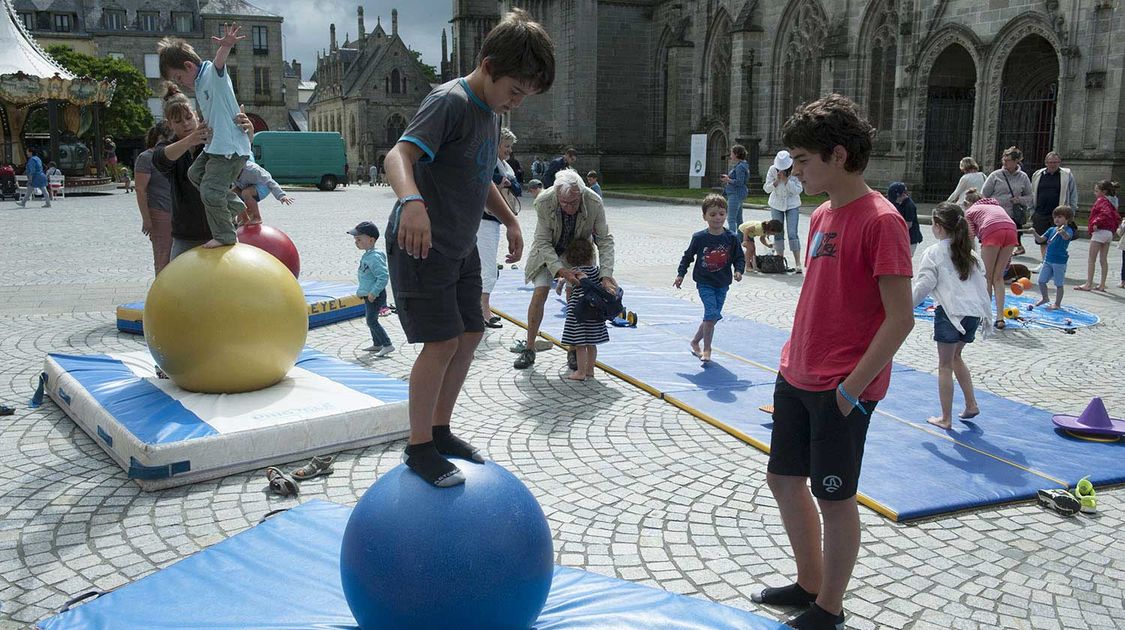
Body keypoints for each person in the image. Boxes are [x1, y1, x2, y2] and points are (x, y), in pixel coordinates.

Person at [754, 94, 914, 630]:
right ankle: (809, 582)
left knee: (836, 498)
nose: (794, 171)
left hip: (841, 389)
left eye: (802, 160)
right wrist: (790, 363)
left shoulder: (882, 221)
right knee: (783, 479)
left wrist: (851, 390)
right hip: (797, 373)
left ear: (838, 155)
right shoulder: (823, 213)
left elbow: (900, 319)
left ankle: (830, 608)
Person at [384, 8, 554, 487]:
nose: (517, 102)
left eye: (526, 95)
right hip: (422, 245)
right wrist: (411, 200)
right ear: (487, 63)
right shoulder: (449, 102)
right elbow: (398, 155)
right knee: (440, 342)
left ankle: (439, 430)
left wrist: (511, 221)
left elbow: (479, 178)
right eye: (515, 91)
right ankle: (418, 448)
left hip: (460, 247)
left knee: (471, 333)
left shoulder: (490, 114)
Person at [159, 25, 251, 250]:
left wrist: (226, 46)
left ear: (189, 66)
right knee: (195, 173)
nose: (181, 83)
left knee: (210, 191)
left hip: (228, 150)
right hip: (215, 147)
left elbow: (219, 63)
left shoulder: (210, 74)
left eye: (179, 77)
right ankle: (234, 204)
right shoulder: (199, 85)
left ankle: (225, 235)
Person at [514, 168, 615, 371]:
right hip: (548, 251)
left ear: (581, 194)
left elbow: (604, 239)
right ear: (557, 195)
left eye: (574, 203)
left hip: (578, 251)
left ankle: (573, 350)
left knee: (577, 298)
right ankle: (530, 347)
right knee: (540, 292)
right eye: (564, 203)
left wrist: (606, 275)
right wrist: (560, 271)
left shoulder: (594, 202)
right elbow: (542, 241)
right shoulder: (544, 201)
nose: (569, 207)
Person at [911, 202, 991, 431]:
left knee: (945, 364)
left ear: (937, 226)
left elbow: (924, 285)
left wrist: (906, 307)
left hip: (949, 312)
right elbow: (981, 285)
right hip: (972, 313)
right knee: (956, 358)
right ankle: (971, 404)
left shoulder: (934, 252)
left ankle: (945, 417)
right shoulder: (971, 253)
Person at [153, 86, 254, 260]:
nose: (185, 123)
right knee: (179, 284)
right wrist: (191, 140)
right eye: (178, 121)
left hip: (221, 228)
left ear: (196, 115)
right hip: (186, 234)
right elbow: (161, 158)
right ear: (169, 124)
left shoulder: (216, 142)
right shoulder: (167, 148)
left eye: (188, 117)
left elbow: (240, 158)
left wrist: (247, 134)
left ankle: (233, 205)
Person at [674, 194, 744, 362]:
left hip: (723, 283)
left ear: (726, 214)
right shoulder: (700, 238)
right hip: (704, 282)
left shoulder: (732, 238)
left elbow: (739, 257)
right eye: (712, 214)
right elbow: (687, 256)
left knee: (711, 317)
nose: (717, 218)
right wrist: (680, 274)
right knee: (711, 313)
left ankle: (695, 341)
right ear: (704, 216)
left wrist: (739, 270)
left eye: (721, 213)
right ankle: (707, 349)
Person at [479, 127, 522, 329]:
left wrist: (508, 182)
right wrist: (500, 181)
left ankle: (480, 308)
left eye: (510, 147)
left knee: (485, 266)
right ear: (496, 145)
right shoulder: (488, 165)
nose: (509, 151)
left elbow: (518, 189)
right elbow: (482, 185)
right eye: (506, 146)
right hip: (484, 220)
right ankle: (484, 311)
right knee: (487, 267)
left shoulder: (506, 166)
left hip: (494, 220)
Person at [963, 189, 1018, 328]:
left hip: (992, 231)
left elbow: (970, 237)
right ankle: (1000, 318)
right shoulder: (996, 206)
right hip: (1012, 230)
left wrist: (968, 257)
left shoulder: (970, 211)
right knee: (998, 277)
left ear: (968, 203)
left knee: (986, 277)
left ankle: (985, 316)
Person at [559, 238, 609, 381]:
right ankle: (590, 370)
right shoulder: (596, 271)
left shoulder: (574, 272)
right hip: (594, 312)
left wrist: (559, 286)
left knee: (580, 343)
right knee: (591, 343)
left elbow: (568, 288)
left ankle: (580, 372)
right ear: (591, 255)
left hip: (579, 313)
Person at [135, 121, 176, 274]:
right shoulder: (146, 157)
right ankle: (163, 293)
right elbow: (140, 189)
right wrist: (147, 219)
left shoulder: (178, 154)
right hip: (161, 213)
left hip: (179, 212)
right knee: (163, 256)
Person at [350, 221, 395, 357]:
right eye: (355, 239)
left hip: (374, 295)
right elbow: (367, 277)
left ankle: (387, 344)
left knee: (371, 321)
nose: (356, 242)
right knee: (370, 319)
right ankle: (377, 344)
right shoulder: (368, 255)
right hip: (368, 294)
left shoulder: (374, 257)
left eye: (359, 239)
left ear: (371, 240)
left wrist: (373, 293)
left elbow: (383, 276)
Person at [981, 146, 1033, 256]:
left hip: (1013, 215)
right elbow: (984, 194)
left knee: (1008, 245)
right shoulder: (995, 175)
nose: (1004, 162)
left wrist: (1019, 200)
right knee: (996, 242)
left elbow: (1030, 196)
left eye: (1008, 160)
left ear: (1016, 161)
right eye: (1003, 159)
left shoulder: (1023, 177)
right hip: (995, 215)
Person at [1029, 152, 1078, 266]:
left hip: (1059, 213)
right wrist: (1032, 210)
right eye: (1050, 162)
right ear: (1046, 163)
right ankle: (1045, 263)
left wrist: (1071, 212)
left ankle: (1055, 262)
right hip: (1041, 212)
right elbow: (1032, 192)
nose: (1052, 165)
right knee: (1043, 240)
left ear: (1059, 163)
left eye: (1055, 162)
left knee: (1057, 239)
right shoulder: (1038, 174)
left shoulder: (1066, 175)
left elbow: (1073, 193)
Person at [1076, 180, 1121, 292]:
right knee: (1103, 259)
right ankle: (1102, 284)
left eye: (1096, 191)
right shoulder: (1113, 201)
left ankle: (1089, 283)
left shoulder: (1102, 200)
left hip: (1100, 231)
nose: (1094, 193)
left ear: (1104, 191)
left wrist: (1096, 223)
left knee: (1091, 259)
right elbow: (1114, 216)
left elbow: (1104, 213)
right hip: (1109, 232)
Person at [763, 150, 804, 272]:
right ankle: (779, 261)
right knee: (778, 232)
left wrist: (786, 181)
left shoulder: (795, 170)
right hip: (776, 204)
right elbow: (766, 189)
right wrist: (775, 182)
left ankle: (798, 263)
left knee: (792, 233)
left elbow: (798, 190)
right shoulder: (772, 169)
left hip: (792, 204)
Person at [1032, 205, 1076, 309]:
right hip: (1048, 260)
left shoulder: (1068, 230)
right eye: (1055, 217)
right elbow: (1040, 240)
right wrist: (1034, 232)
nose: (1056, 219)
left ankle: (1057, 304)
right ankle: (1045, 298)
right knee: (1041, 281)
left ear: (1067, 219)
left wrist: (1063, 232)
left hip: (1059, 262)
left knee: (1059, 284)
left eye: (1060, 217)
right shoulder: (1051, 229)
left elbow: (1067, 237)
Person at [719, 144, 751, 237]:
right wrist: (728, 178)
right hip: (737, 193)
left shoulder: (740, 166)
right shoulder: (741, 165)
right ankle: (740, 239)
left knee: (731, 219)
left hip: (736, 194)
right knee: (738, 219)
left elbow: (740, 182)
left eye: (732, 153)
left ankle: (732, 239)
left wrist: (728, 180)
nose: (730, 156)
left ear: (736, 154)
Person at [887, 182, 923, 255]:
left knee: (905, 259)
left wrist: (893, 231)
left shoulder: (909, 206)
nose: (894, 201)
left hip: (910, 239)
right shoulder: (897, 202)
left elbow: (908, 224)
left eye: (895, 198)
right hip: (900, 238)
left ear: (903, 195)